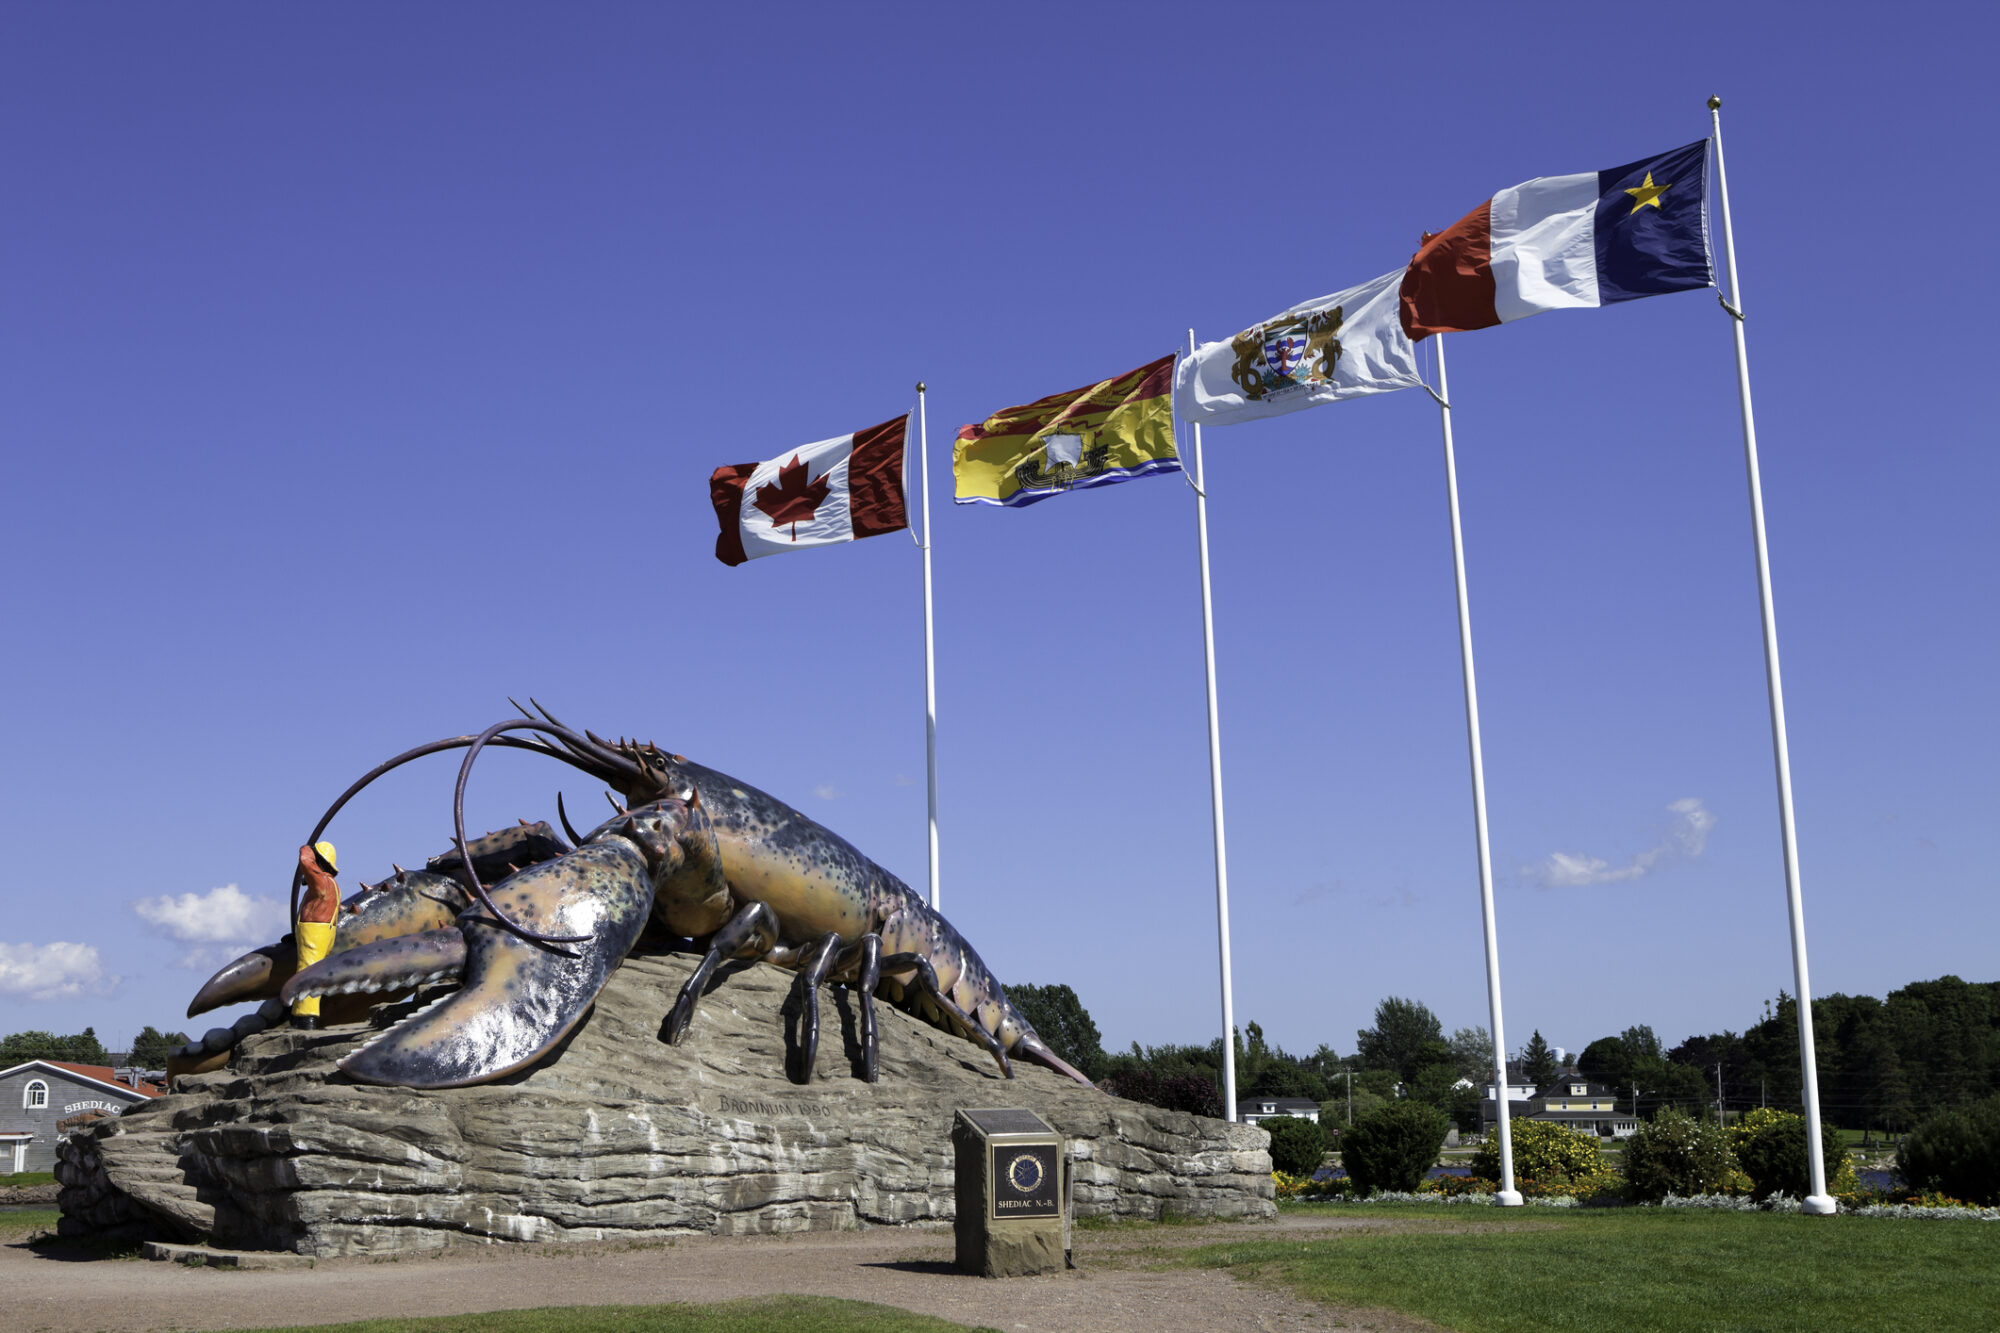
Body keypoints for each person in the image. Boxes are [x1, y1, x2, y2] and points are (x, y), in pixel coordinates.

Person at [291, 841, 341, 1030]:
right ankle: (299, 1014)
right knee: (310, 970)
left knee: (307, 971)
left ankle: (305, 1017)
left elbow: (305, 861)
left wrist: (306, 849)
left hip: (314, 932)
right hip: (322, 932)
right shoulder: (331, 885)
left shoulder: (322, 882)